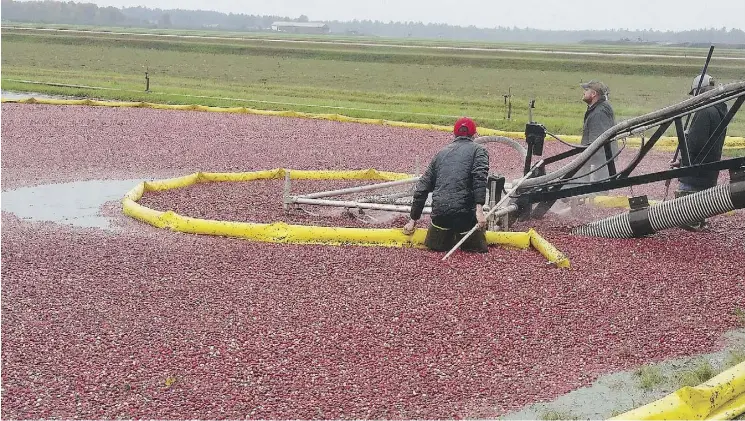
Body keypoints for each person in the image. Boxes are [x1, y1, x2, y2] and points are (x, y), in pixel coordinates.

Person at [402, 117, 490, 253]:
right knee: (475, 252)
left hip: (440, 215)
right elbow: (479, 178)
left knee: (434, 250)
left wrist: (413, 220)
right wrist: (480, 211)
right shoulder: (479, 151)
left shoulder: (441, 154)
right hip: (466, 216)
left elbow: (422, 188)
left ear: (454, 134)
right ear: (474, 134)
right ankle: (472, 245)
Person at [673, 73, 728, 230]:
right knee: (699, 211)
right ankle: (699, 222)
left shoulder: (704, 111)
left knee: (686, 220)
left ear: (699, 92)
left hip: (694, 175)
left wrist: (683, 162)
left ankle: (693, 223)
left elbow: (696, 144)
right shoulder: (720, 110)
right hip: (709, 170)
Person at [578, 80, 617, 184]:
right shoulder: (599, 108)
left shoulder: (598, 113)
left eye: (586, 90)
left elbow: (598, 144)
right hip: (601, 163)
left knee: (595, 194)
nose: (583, 92)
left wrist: (585, 163)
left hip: (598, 164)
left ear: (594, 94)